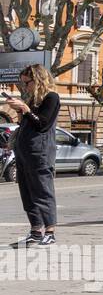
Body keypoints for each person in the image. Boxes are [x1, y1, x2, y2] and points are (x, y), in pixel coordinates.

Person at [6, 64, 60, 248]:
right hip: (24, 153)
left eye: (27, 83)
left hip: (40, 153)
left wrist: (26, 110)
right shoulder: (32, 100)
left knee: (42, 192)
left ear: (37, 80)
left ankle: (50, 231)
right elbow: (27, 123)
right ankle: (36, 231)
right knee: (27, 193)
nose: (25, 87)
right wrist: (22, 111)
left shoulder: (51, 98)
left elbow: (42, 124)